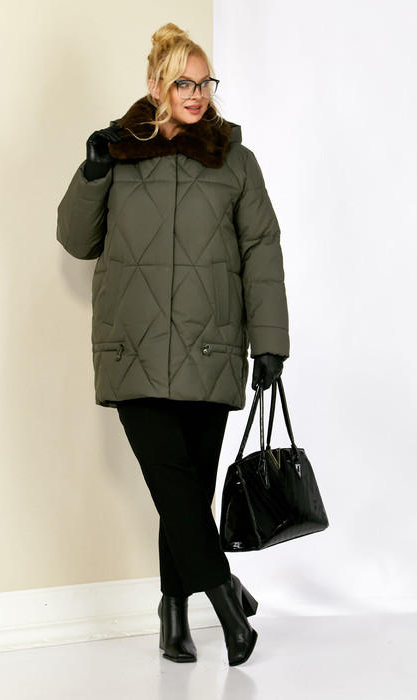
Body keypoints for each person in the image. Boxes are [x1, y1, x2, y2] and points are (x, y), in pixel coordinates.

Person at [57, 23, 289, 667]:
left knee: (185, 494)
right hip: (132, 347)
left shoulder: (235, 160)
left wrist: (270, 343)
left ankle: (173, 613)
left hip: (211, 348)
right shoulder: (117, 151)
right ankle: (225, 602)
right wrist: (92, 171)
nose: (196, 93)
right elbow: (76, 240)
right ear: (155, 85)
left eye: (204, 82)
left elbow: (261, 251)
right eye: (183, 82)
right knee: (175, 487)